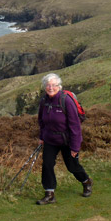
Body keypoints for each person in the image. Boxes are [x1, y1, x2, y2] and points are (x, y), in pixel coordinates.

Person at [36, 73, 93, 205]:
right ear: (45, 87)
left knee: (72, 166)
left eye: (54, 85)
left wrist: (75, 146)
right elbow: (41, 121)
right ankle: (49, 194)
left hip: (66, 140)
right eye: (48, 85)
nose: (51, 88)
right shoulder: (44, 101)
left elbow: (75, 125)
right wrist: (41, 137)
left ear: (59, 86)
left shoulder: (65, 100)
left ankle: (86, 181)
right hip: (50, 139)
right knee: (47, 165)